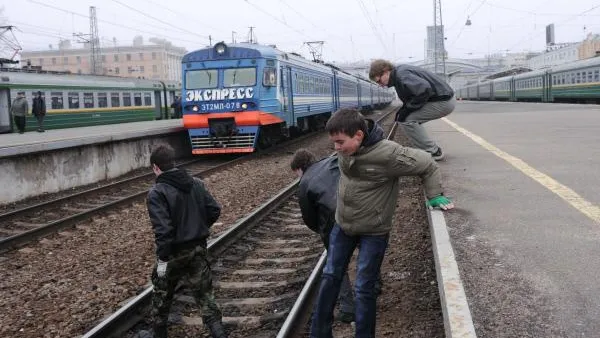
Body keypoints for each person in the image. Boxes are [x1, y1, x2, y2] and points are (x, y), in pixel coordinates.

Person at [309, 108, 454, 338]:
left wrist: (434, 195)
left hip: (373, 232)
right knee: (329, 277)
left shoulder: (389, 155)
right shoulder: (348, 149)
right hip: (343, 225)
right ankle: (318, 333)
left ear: (358, 135)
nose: (336, 149)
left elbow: (427, 163)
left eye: (340, 142)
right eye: (333, 143)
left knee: (364, 287)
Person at [146, 145, 227, 338]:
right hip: (197, 249)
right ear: (173, 162)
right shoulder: (196, 183)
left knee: (161, 296)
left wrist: (163, 260)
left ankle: (159, 334)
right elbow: (214, 209)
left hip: (171, 255)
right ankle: (220, 334)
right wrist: (199, 227)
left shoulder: (156, 193)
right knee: (206, 298)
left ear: (156, 167)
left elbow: (163, 231)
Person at [290, 149, 355, 323]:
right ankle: (374, 286)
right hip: (357, 209)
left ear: (300, 168)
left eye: (296, 173)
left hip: (334, 223)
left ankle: (348, 308)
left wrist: (322, 231)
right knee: (366, 247)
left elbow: (309, 218)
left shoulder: (304, 182)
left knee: (336, 265)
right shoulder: (332, 162)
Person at [369, 59, 456, 161]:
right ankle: (427, 148)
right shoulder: (400, 73)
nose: (380, 84)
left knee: (408, 120)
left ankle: (433, 152)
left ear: (386, 71)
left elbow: (423, 90)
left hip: (443, 101)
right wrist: (405, 108)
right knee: (405, 117)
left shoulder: (402, 75)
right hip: (442, 100)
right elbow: (414, 95)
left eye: (379, 80)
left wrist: (407, 110)